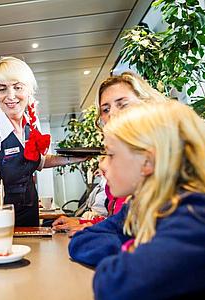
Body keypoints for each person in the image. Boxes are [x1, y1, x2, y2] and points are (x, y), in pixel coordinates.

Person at [70, 101, 205, 299]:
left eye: (110, 154)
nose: (102, 165)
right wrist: (137, 249)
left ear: (147, 162)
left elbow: (114, 283)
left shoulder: (194, 219)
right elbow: (81, 241)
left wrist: (135, 251)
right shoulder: (140, 206)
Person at [0, 57, 86, 246]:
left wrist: (74, 158)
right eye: (2, 89)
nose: (10, 96)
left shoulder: (31, 123)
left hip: (29, 211)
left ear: (29, 90)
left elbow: (38, 161)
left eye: (17, 87)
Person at [53, 72, 167, 236]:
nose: (112, 114)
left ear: (146, 104)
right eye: (106, 109)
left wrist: (95, 230)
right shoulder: (128, 158)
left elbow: (137, 234)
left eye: (122, 104)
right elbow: (119, 221)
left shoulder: (160, 157)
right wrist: (87, 223)